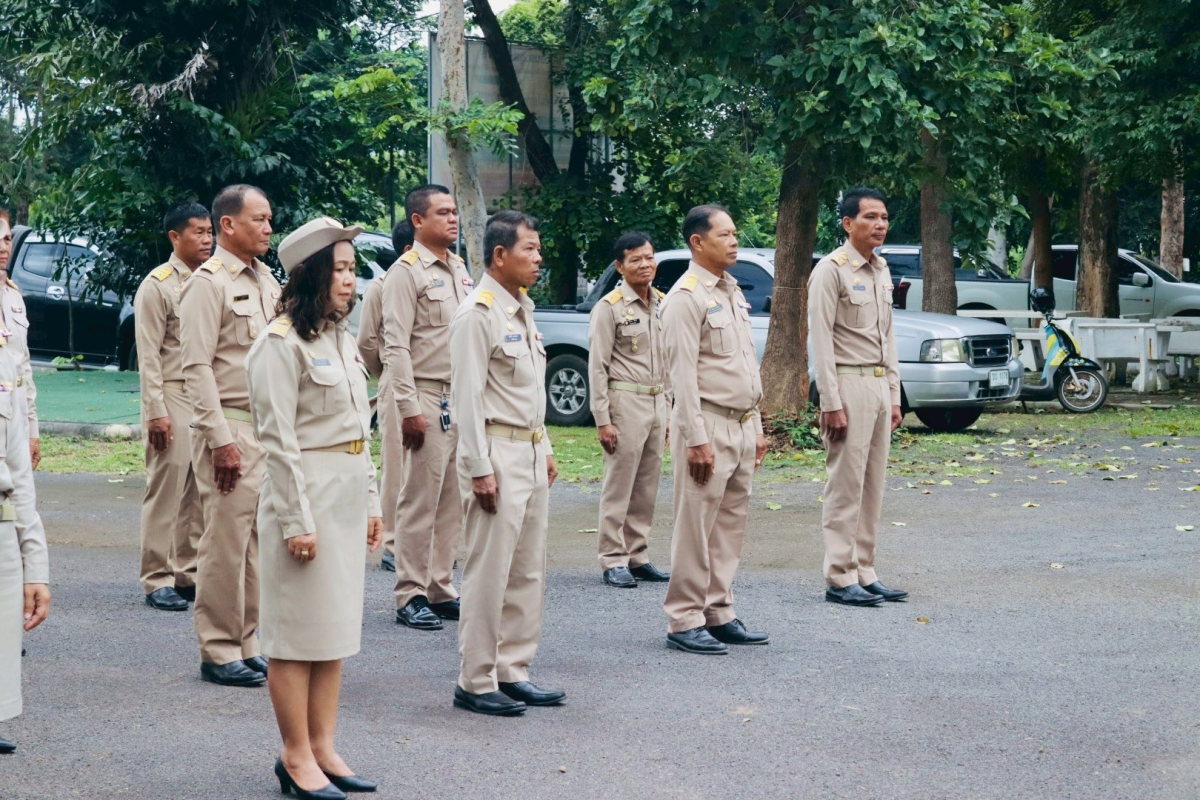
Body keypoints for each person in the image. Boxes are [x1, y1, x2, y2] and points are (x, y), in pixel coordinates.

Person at [249, 217, 383, 799]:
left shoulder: (338, 338)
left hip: (346, 495)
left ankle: (324, 746)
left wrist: (372, 501)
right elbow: (278, 443)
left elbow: (359, 432)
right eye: (341, 270)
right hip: (304, 497)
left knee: (333, 631)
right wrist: (296, 521)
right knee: (295, 635)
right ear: (311, 275)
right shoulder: (279, 344)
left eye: (352, 270)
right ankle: (296, 755)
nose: (350, 281)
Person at [449, 210, 562, 716]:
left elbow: (528, 391)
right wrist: (479, 467)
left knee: (526, 571)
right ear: (499, 255)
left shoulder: (521, 309)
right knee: (489, 572)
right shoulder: (478, 313)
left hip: (529, 449)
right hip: (495, 451)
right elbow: (467, 399)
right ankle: (475, 680)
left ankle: (513, 669)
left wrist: (547, 446)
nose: (539, 258)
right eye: (529, 249)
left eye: (539, 248)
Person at [180, 184, 281, 687]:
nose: (268, 228)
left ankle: (247, 639)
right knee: (224, 542)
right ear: (228, 224)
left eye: (269, 219)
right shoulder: (208, 283)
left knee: (256, 542)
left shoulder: (266, 279)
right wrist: (220, 439)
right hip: (231, 424)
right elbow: (196, 367)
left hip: (264, 426)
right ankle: (218, 648)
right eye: (258, 219)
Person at [661, 205, 768, 655]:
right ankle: (684, 619)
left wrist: (756, 426)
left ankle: (718, 610)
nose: (734, 241)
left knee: (728, 525)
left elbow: (745, 365)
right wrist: (696, 439)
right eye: (724, 235)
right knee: (695, 526)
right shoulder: (685, 297)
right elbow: (681, 377)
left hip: (740, 424)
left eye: (735, 233)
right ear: (697, 242)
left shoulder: (731, 291)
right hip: (707, 425)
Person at [808, 187, 908, 607]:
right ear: (848, 223)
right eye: (870, 217)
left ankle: (864, 570)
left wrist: (895, 395)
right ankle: (839, 575)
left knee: (872, 485)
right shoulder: (831, 270)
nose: (880, 224)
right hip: (847, 384)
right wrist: (830, 401)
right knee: (846, 485)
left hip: (879, 385)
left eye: (883, 217)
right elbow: (820, 339)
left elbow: (888, 337)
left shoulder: (881, 269)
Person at [383, 185, 472, 632]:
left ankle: (440, 586)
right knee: (420, 499)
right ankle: (410, 593)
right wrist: (407, 407)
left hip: (459, 396)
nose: (453, 219)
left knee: (452, 500)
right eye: (443, 212)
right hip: (424, 393)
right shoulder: (405, 272)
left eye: (454, 211)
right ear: (418, 221)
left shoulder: (459, 268)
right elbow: (395, 344)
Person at [134, 202, 210, 611]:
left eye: (210, 231)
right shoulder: (158, 284)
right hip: (172, 392)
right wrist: (155, 411)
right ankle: (156, 577)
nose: (207, 239)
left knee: (198, 490)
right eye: (198, 232)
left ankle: (187, 571)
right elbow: (148, 356)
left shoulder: (211, 281)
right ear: (175, 237)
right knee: (167, 488)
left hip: (203, 396)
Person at [588, 232, 672, 588]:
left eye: (649, 257)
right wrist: (603, 420)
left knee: (647, 484)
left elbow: (669, 360)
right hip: (625, 402)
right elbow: (597, 367)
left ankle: (637, 555)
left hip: (657, 400)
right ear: (620, 266)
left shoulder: (663, 303)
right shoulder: (609, 308)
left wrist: (670, 410)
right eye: (635, 259)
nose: (645, 265)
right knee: (619, 484)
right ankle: (612, 558)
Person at [0, 209, 50, 755]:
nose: (3, 246)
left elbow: (21, 372)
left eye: (6, 237)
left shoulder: (11, 297)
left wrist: (31, 426)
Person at [356, 219, 413, 574]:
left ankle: (425, 544)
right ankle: (393, 544)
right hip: (397, 380)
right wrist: (387, 374)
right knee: (396, 466)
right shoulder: (382, 286)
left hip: (434, 386)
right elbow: (366, 342)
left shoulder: (444, 280)